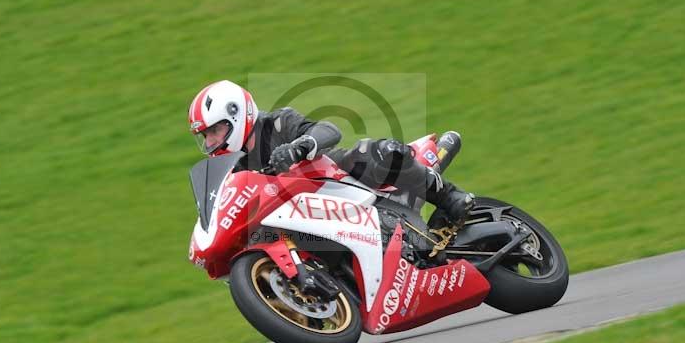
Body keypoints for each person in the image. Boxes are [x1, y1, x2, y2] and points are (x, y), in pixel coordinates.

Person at [188, 80, 475, 229]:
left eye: (215, 131)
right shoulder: (232, 171)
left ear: (236, 115)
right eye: (206, 136)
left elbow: (328, 129)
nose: (212, 141)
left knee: (376, 152)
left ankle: (449, 196)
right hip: (298, 216)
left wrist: (299, 147)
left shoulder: (277, 123)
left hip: (334, 179)